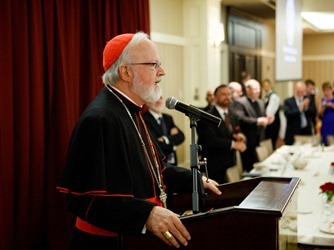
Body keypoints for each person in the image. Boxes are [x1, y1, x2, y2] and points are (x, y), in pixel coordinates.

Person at [56, 32, 221, 250]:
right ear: (126, 72)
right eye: (154, 65)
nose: (162, 72)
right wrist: (146, 214)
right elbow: (82, 199)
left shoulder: (131, 111)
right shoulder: (100, 119)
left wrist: (194, 179)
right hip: (106, 244)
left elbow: (154, 171)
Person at [198, 84, 247, 184]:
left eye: (229, 94)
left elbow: (237, 130)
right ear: (215, 97)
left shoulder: (232, 114)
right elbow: (210, 140)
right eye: (223, 94)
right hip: (215, 164)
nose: (227, 97)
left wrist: (240, 136)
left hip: (231, 162)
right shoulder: (207, 116)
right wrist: (234, 144)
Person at [230, 79, 274, 172]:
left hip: (260, 138)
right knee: (249, 168)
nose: (258, 91)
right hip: (248, 139)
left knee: (261, 167)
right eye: (255, 89)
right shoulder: (240, 102)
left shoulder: (260, 102)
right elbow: (240, 119)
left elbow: (263, 117)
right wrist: (257, 121)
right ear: (247, 89)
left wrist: (268, 119)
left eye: (259, 89)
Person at [143, 96, 185, 165]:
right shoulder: (144, 119)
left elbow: (181, 136)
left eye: (160, 98)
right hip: (159, 163)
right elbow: (156, 145)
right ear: (147, 102)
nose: (158, 101)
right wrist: (173, 145)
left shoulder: (168, 118)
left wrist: (164, 139)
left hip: (173, 162)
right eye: (155, 98)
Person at [262, 79, 280, 149]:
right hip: (268, 123)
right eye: (264, 86)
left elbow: (269, 112)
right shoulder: (265, 97)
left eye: (267, 85)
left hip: (273, 123)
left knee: (271, 143)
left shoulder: (273, 96)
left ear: (270, 85)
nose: (266, 87)